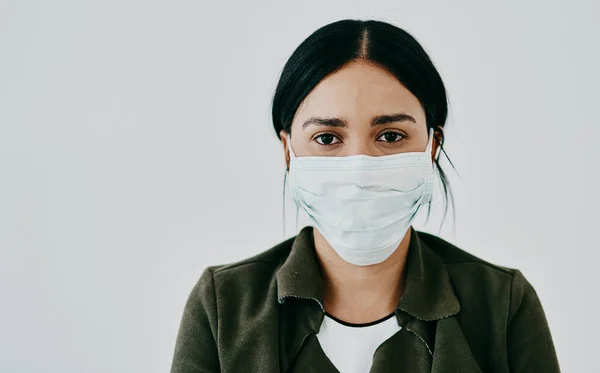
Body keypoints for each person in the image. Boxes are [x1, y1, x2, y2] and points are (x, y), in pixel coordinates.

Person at [169, 19, 560, 373]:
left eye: (390, 136)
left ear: (433, 145)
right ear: (288, 150)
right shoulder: (222, 306)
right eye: (327, 138)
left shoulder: (502, 305)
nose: (359, 169)